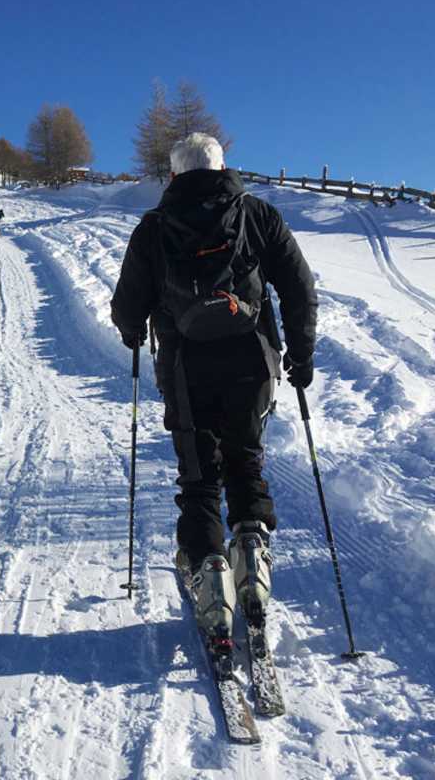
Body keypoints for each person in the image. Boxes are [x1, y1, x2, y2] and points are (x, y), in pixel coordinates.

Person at [110, 133, 317, 643]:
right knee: (245, 458)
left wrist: (133, 331)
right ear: (223, 167)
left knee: (200, 475)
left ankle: (210, 572)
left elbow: (127, 303)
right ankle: (250, 551)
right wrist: (302, 354)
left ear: (176, 175)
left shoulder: (154, 227)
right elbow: (298, 286)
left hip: (185, 366)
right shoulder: (257, 215)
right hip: (251, 360)